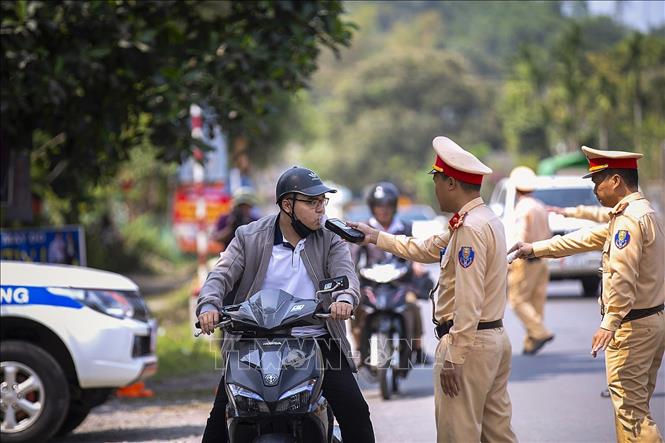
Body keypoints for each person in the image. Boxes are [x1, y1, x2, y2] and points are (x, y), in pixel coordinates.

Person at [349, 137, 517, 443]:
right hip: (492, 339)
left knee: (458, 435)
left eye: (437, 179)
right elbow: (426, 248)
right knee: (497, 435)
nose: (435, 186)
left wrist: (454, 355)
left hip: (469, 344)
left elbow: (469, 297)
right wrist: (375, 237)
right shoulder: (482, 219)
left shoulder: (469, 228)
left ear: (451, 182)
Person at [196, 166, 375, 443]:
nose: (320, 210)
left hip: (317, 341)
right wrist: (209, 305)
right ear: (287, 205)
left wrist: (344, 299)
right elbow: (220, 275)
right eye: (312, 202)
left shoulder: (331, 238)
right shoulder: (249, 236)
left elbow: (346, 277)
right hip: (253, 344)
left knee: (356, 414)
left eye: (322, 202)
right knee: (219, 421)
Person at [509, 146, 664, 442]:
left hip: (633, 328)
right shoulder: (641, 212)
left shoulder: (629, 220)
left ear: (616, 180)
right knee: (636, 408)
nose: (594, 188)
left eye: (597, 180)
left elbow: (622, 275)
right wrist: (535, 249)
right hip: (652, 321)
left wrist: (610, 322)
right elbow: (585, 238)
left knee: (632, 415)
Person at [350, 181, 431, 365]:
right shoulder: (363, 228)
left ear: (394, 207)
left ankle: (417, 348)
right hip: (371, 283)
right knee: (356, 308)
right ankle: (359, 350)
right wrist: (350, 273)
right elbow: (353, 255)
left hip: (400, 282)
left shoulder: (404, 227)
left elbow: (415, 249)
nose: (383, 210)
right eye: (379, 205)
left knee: (412, 304)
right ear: (372, 207)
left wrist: (417, 264)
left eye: (387, 205)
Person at [507, 166, 554, 355]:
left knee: (517, 300)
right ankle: (531, 341)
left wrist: (510, 260)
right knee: (536, 301)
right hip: (542, 259)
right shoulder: (540, 206)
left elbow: (521, 235)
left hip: (526, 260)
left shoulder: (522, 208)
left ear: (516, 189)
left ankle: (540, 332)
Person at [211, 186, 260, 250]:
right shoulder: (225, 219)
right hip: (229, 256)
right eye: (241, 206)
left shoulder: (256, 222)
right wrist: (230, 227)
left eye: (246, 206)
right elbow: (216, 238)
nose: (243, 209)